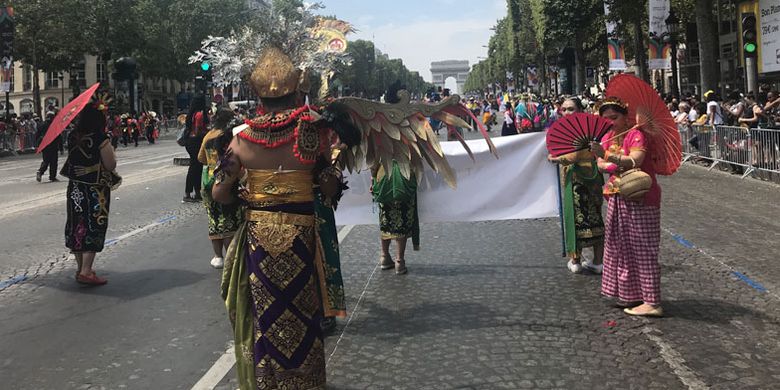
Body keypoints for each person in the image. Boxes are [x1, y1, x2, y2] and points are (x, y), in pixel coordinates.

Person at [212, 46, 345, 390]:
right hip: (301, 236)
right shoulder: (313, 134)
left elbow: (218, 192)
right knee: (303, 311)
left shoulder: (241, 139)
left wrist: (245, 194)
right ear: (295, 89)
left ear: (256, 93)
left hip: (259, 239)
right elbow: (329, 190)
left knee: (266, 311)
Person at [590, 97, 663, 317]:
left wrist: (609, 158)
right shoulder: (608, 136)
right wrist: (611, 160)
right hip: (616, 196)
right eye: (606, 119)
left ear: (625, 116)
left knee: (643, 249)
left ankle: (652, 301)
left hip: (640, 197)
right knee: (620, 247)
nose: (611, 122)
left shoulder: (636, 134)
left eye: (615, 117)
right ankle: (630, 293)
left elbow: (636, 160)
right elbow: (600, 165)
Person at [61, 104, 118, 285]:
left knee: (77, 224)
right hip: (95, 189)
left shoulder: (72, 136)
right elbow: (110, 165)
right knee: (93, 224)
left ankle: (80, 269)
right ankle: (87, 270)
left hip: (75, 188)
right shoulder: (101, 138)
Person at [548, 97, 604, 274]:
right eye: (563, 109)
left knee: (588, 218)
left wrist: (556, 158)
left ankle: (593, 260)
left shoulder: (589, 131)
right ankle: (580, 259)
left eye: (571, 109)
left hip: (586, 180)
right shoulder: (567, 131)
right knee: (578, 219)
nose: (566, 113)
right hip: (574, 180)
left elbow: (579, 154)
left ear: (580, 110)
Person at [197, 108, 243, 269]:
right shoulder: (230, 135)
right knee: (230, 218)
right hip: (226, 179)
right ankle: (232, 256)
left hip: (208, 180)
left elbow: (200, 158)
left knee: (213, 218)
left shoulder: (208, 135)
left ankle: (218, 256)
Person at [183, 95, 209, 203]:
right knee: (195, 168)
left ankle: (195, 193)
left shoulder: (191, 114)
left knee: (195, 167)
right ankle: (190, 193)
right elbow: (198, 131)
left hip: (190, 141)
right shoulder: (199, 115)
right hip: (196, 142)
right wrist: (208, 132)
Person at [35, 111, 62, 183]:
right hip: (53, 145)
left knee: (46, 161)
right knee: (53, 162)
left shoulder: (42, 124)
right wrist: (61, 147)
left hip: (45, 145)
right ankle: (52, 177)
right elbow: (59, 136)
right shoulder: (55, 125)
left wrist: (38, 146)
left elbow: (37, 135)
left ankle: (40, 171)